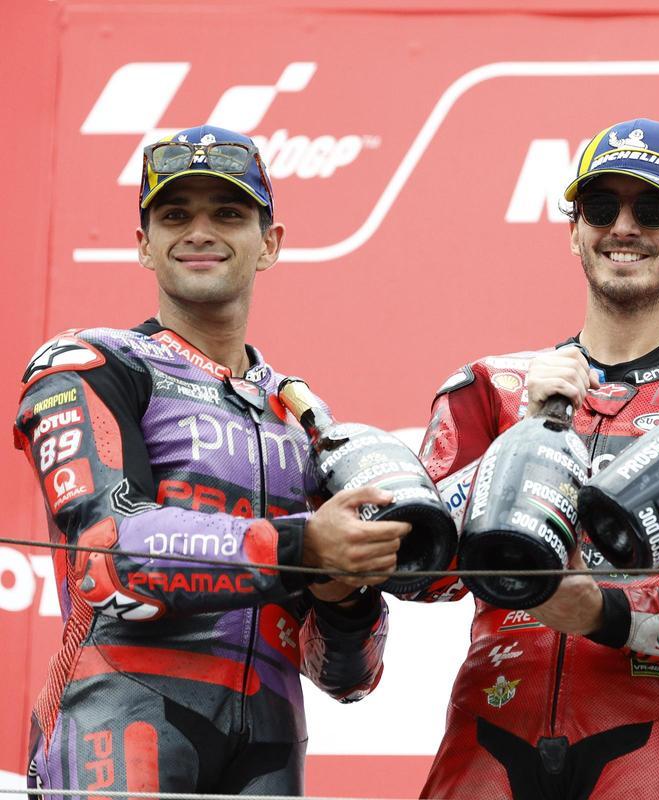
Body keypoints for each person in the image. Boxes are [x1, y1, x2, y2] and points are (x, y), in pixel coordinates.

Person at [409, 118, 659, 799]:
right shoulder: (491, 387)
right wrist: (528, 437)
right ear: (575, 230)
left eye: (652, 209)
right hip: (487, 734)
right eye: (601, 208)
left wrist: (604, 610)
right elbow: (417, 575)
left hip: (655, 749)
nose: (623, 227)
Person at [15, 126, 407, 796]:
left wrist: (344, 596)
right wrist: (302, 546)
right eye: (175, 215)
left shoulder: (305, 419)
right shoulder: (94, 364)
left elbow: (349, 676)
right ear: (144, 245)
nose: (199, 232)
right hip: (122, 720)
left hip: (272, 746)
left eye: (227, 213)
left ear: (269, 243)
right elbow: (107, 556)